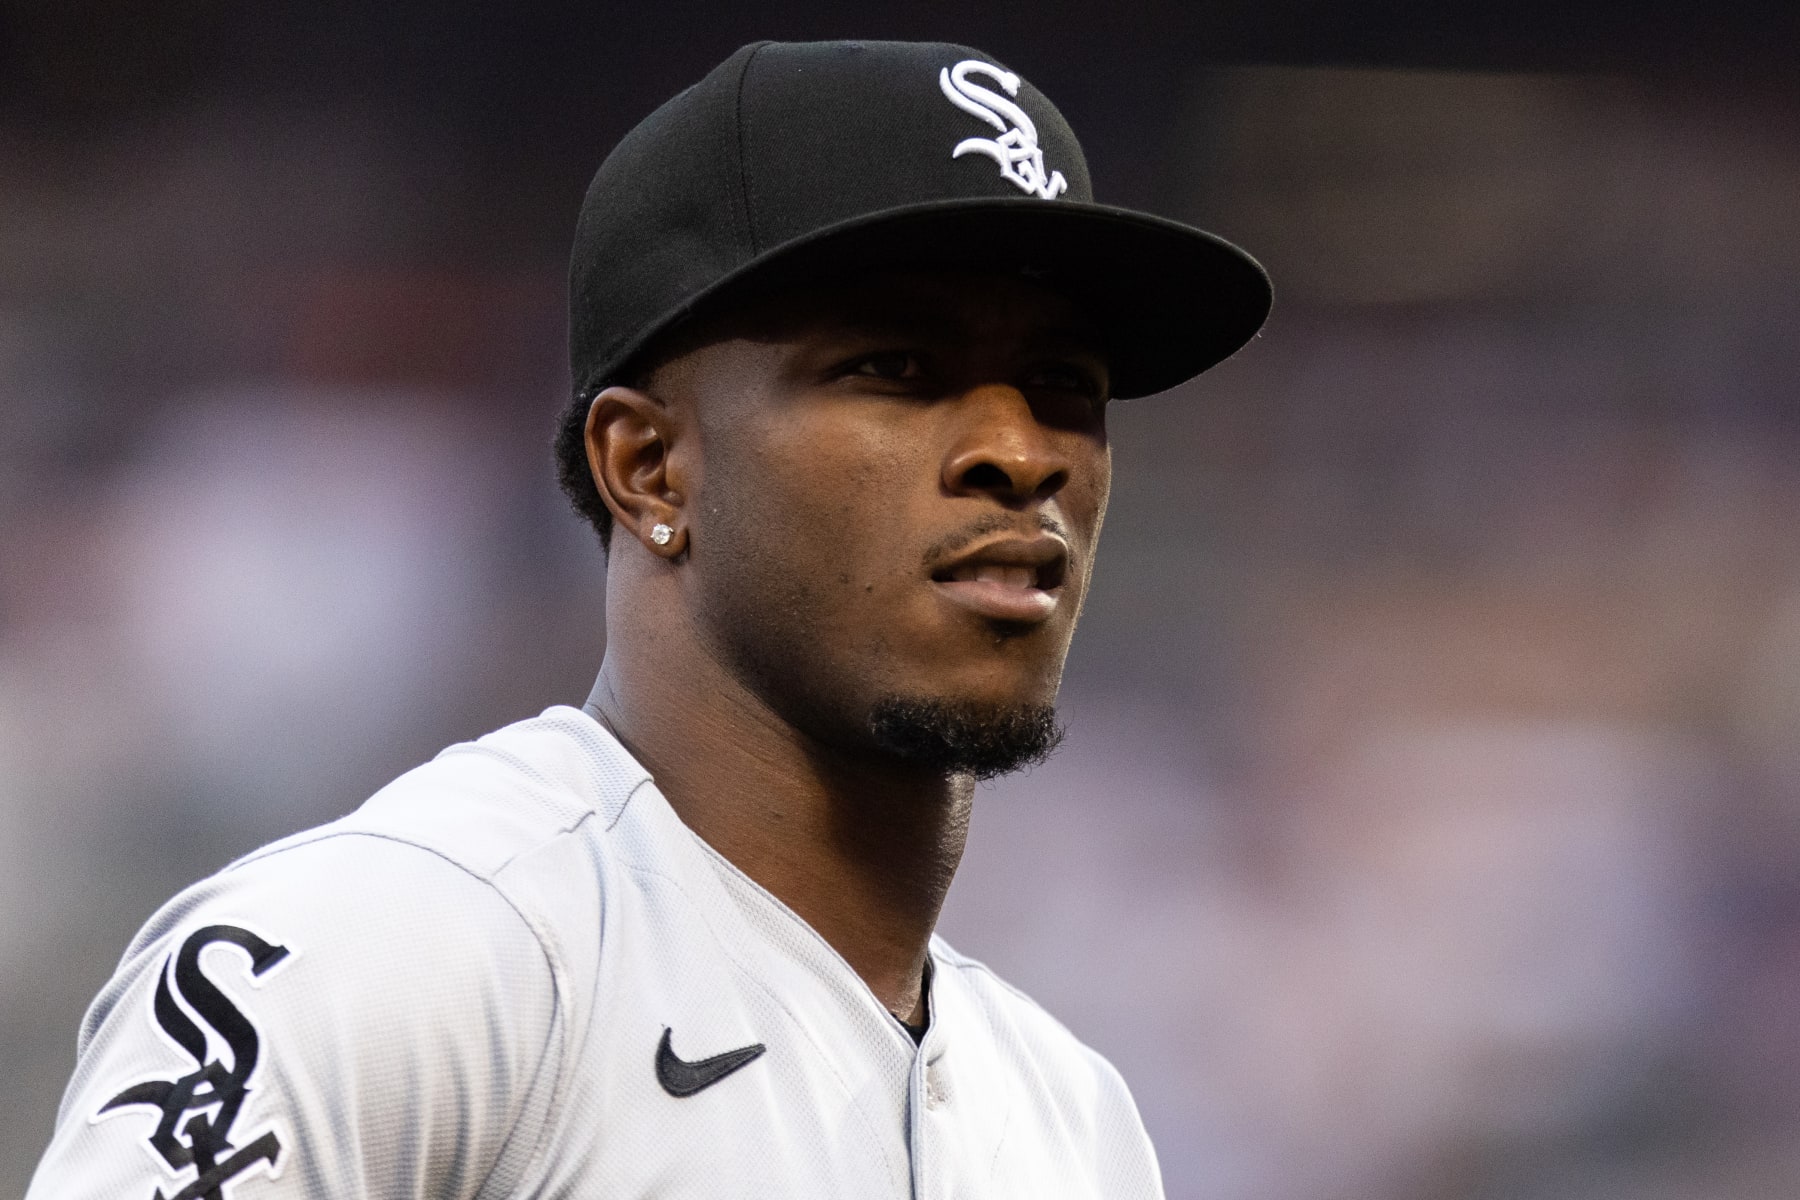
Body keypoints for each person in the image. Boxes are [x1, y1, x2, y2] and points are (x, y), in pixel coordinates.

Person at [27, 38, 1268, 1199]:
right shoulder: (403, 953)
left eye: (1063, 385)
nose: (1018, 452)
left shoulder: (1068, 1117)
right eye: (896, 370)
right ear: (651, 468)